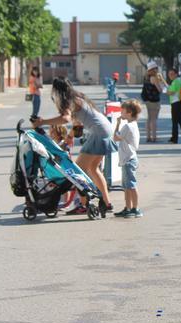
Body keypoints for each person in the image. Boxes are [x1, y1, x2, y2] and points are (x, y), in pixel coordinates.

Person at [32, 77, 116, 216]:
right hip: (106, 128)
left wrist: (42, 122)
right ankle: (107, 204)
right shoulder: (77, 97)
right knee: (93, 169)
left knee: (77, 171)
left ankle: (83, 205)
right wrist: (68, 138)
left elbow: (65, 119)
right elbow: (77, 124)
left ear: (57, 91)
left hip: (97, 132)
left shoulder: (68, 100)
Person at [113, 100, 143, 218]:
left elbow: (115, 137)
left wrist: (117, 124)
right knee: (126, 186)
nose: (121, 112)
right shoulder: (133, 124)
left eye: (123, 110)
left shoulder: (127, 126)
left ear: (129, 112)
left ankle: (136, 208)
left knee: (130, 185)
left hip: (128, 159)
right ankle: (128, 207)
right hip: (129, 158)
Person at [141, 61, 166, 143]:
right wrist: (161, 82)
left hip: (147, 100)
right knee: (154, 119)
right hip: (154, 100)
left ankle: (148, 136)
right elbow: (160, 89)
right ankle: (154, 137)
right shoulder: (154, 78)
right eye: (156, 68)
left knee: (149, 118)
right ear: (154, 69)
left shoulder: (146, 77)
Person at [166, 69, 181, 144]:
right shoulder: (180, 80)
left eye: (172, 74)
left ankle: (174, 138)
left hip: (176, 103)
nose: (170, 76)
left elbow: (171, 92)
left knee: (175, 121)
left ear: (176, 74)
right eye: (169, 74)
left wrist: (167, 92)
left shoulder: (175, 81)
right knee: (180, 120)